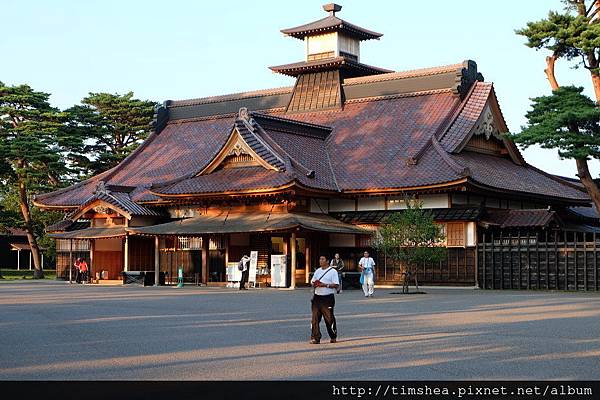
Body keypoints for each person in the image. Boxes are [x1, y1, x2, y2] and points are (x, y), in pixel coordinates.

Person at [309, 255, 339, 344]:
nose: (320, 261)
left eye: (322, 259)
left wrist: (325, 285)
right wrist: (315, 284)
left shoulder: (333, 272)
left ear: (327, 261)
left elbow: (336, 285)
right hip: (317, 297)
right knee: (315, 318)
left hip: (327, 297)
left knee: (329, 318)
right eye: (320, 259)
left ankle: (333, 336)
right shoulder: (317, 271)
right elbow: (312, 281)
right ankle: (316, 337)